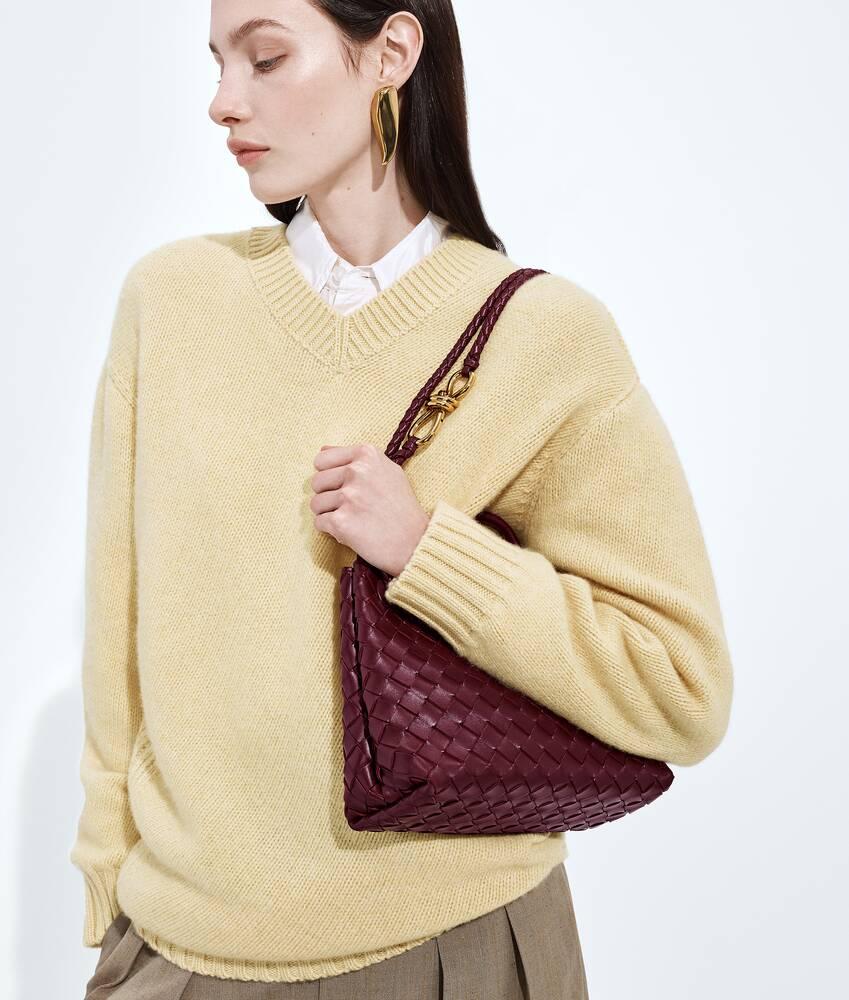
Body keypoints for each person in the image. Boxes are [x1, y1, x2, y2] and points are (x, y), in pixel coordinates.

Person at [70, 2, 734, 998]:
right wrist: (106, 881)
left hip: (453, 943)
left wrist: (429, 550)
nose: (223, 102)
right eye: (217, 63)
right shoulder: (172, 301)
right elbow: (117, 628)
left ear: (390, 52)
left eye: (265, 58)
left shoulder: (545, 337)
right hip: (180, 945)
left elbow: (680, 687)